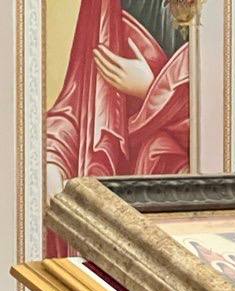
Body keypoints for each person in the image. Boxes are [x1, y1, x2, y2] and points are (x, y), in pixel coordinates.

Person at [45, 0, 193, 256]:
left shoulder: (206, 18)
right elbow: (78, 105)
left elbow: (208, 120)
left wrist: (152, 91)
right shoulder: (104, 5)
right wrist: (50, 159)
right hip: (110, 198)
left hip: (172, 207)